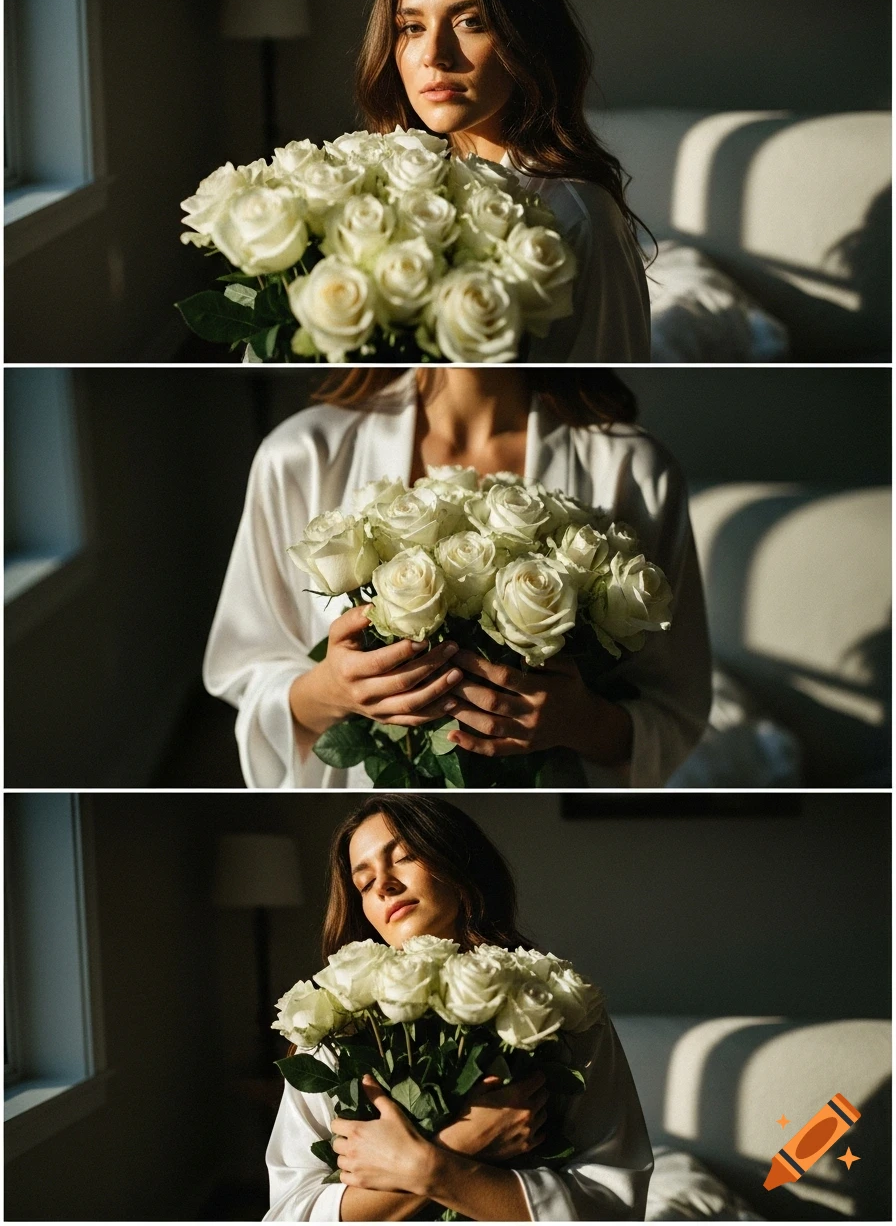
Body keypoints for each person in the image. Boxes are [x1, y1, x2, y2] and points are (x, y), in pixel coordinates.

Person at [203, 368, 711, 789]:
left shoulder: (635, 472)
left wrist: (580, 722)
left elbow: (675, 710)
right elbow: (246, 669)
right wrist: (331, 691)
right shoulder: (300, 457)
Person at [264, 794, 654, 1221]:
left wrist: (429, 1169)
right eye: (364, 882)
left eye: (405, 857)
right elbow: (290, 1213)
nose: (384, 885)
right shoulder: (333, 1031)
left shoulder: (558, 1008)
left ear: (459, 863)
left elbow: (612, 1203)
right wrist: (459, 1146)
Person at [355, 0, 651, 362]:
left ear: (527, 36)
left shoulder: (578, 216)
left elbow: (603, 391)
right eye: (412, 27)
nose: (434, 55)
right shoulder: (374, 198)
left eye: (470, 22)